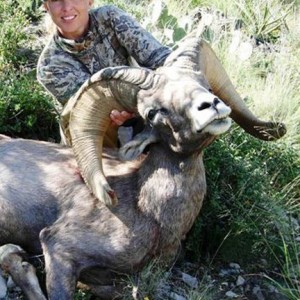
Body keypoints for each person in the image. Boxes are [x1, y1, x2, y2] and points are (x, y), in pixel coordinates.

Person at [37, 0, 171, 134]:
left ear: (89, 2)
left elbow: (160, 58)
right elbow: (93, 105)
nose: (66, 7)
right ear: (46, 7)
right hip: (102, 129)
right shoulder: (49, 66)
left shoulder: (109, 17)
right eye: (56, 0)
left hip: (144, 104)